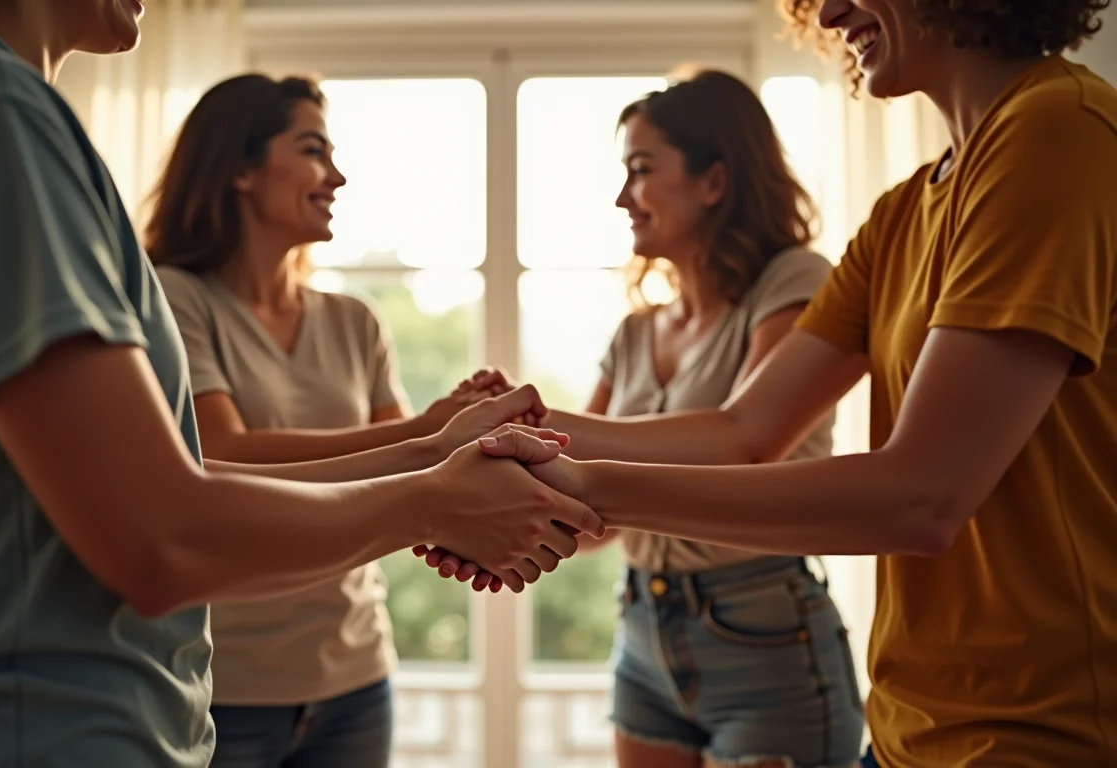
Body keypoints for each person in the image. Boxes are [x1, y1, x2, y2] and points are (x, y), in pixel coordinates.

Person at [0, 2, 603, 765]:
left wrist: (433, 453)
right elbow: (162, 534)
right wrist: (436, 498)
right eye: (312, 150)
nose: (335, 175)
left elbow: (169, 485)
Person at [423, 1, 1117, 766]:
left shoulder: (1058, 130)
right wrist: (502, 424)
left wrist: (582, 479)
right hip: (910, 727)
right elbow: (741, 431)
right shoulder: (901, 214)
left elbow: (922, 496)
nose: (827, 9)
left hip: (1044, 730)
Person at [457, 71, 865, 768]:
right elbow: (585, 508)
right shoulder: (635, 334)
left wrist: (528, 418)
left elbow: (745, 441)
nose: (623, 197)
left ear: (714, 180)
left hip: (763, 633)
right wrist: (481, 515)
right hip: (644, 630)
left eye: (641, 171)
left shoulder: (796, 280)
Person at [145, 73, 491, 767]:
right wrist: (431, 430)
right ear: (240, 169)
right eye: (312, 151)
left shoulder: (354, 320)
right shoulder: (174, 298)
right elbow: (223, 450)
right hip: (227, 683)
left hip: (357, 678)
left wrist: (473, 429)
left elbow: (415, 465)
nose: (336, 176)